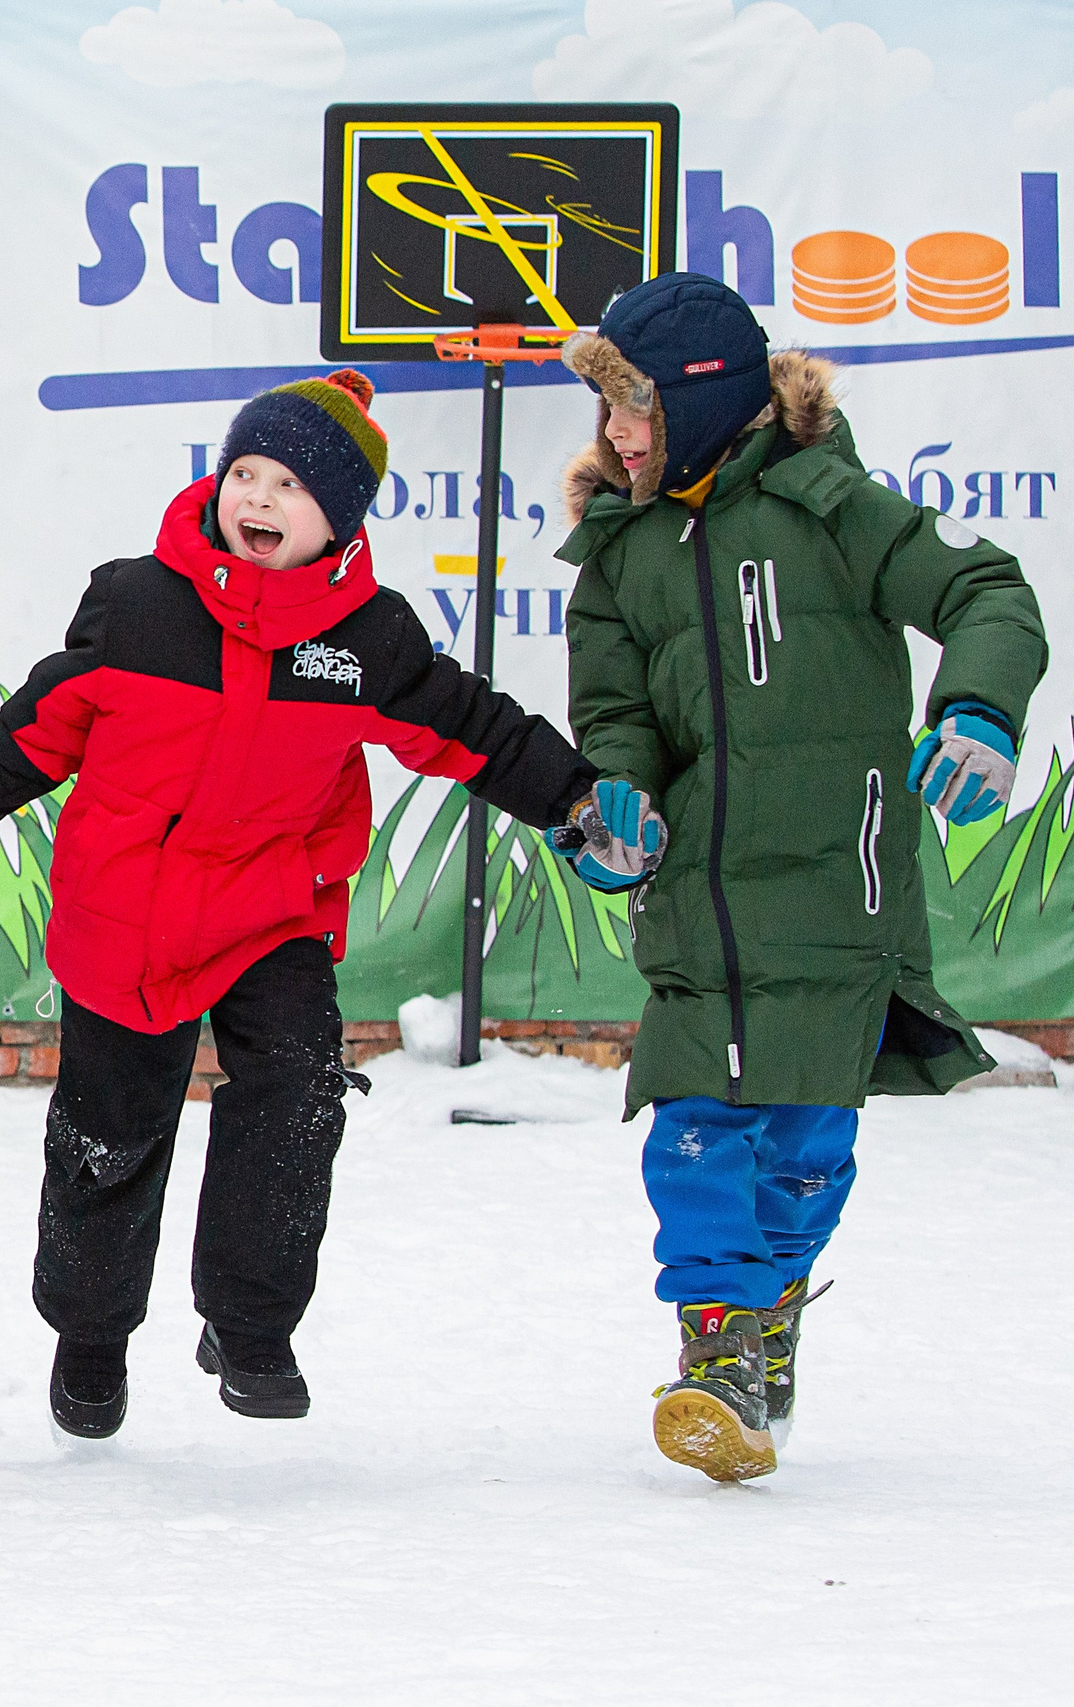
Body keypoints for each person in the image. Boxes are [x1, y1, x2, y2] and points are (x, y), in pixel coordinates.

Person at [0, 370, 602, 1440]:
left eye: (287, 483)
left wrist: (573, 800)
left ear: (335, 519)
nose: (254, 495)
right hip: (129, 915)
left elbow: (471, 726)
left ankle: (248, 1326)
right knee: (109, 1136)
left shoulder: (365, 641)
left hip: (269, 910)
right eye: (243, 471)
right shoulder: (138, 602)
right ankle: (90, 1340)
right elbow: (41, 727)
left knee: (295, 1096)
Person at [557, 272, 1046, 1482]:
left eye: (637, 404)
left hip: (842, 888)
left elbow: (986, 591)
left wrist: (979, 711)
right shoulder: (617, 555)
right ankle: (717, 1346)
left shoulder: (835, 508)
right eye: (609, 408)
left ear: (708, 398)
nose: (618, 432)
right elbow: (614, 717)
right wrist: (613, 805)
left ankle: (768, 1310)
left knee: (801, 1148)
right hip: (702, 901)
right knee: (693, 1130)